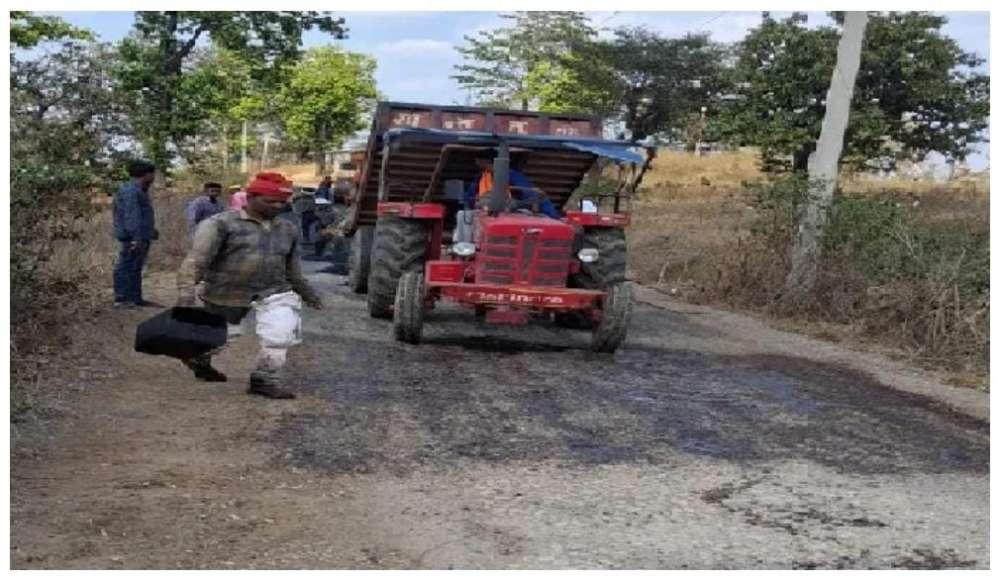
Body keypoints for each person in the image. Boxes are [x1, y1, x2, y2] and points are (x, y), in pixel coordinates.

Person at [176, 172, 324, 399]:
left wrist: (308, 295)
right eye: (270, 201)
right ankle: (199, 359)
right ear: (251, 197)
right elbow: (196, 262)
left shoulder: (288, 229)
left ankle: (264, 379)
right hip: (226, 293)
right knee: (220, 338)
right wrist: (185, 297)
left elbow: (293, 270)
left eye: (282, 202)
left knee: (281, 334)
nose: (277, 206)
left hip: (274, 292)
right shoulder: (220, 224)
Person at [112, 160, 159, 308]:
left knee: (135, 267)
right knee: (126, 266)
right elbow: (132, 216)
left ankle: (135, 298)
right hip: (132, 237)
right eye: (152, 174)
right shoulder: (130, 191)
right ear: (146, 175)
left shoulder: (139, 190)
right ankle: (122, 300)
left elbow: (141, 215)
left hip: (140, 236)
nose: (153, 177)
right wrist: (135, 238)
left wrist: (150, 231)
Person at [463, 150, 560, 219]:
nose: (476, 163)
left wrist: (552, 216)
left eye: (478, 160)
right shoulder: (481, 177)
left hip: (509, 212)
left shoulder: (511, 175)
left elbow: (531, 194)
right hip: (484, 212)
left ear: (485, 161)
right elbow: (470, 197)